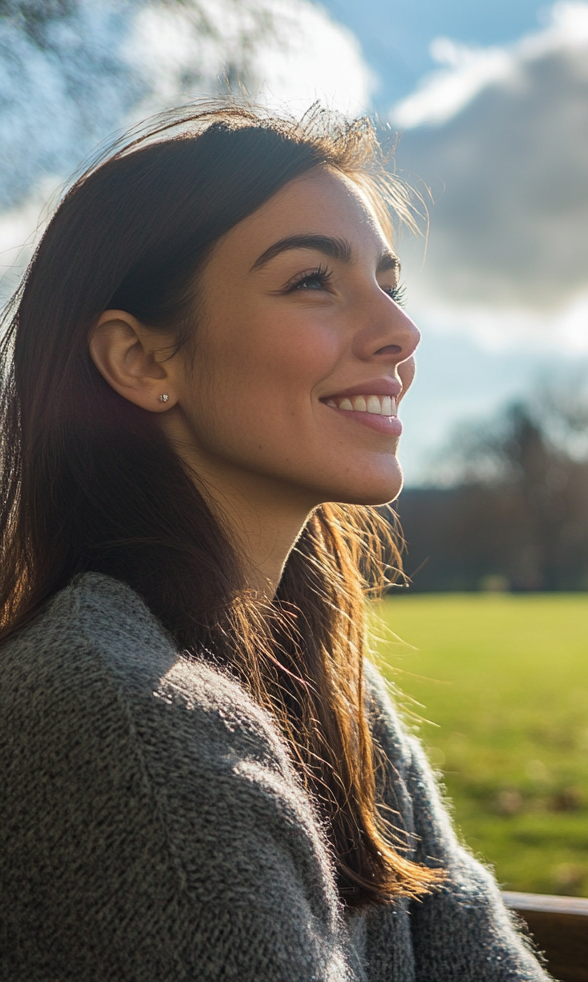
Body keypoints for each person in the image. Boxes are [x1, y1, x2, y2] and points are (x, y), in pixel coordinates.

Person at [0, 103, 552, 982]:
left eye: (388, 282)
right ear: (144, 361)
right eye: (311, 282)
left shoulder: (330, 683)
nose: (402, 335)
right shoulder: (124, 719)